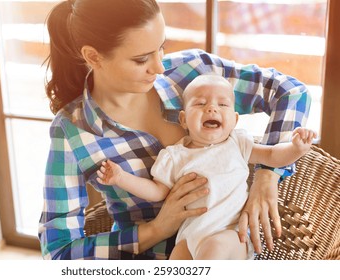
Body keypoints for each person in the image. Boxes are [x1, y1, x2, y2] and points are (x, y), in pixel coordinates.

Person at [38, 0, 311, 260]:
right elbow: (59, 252)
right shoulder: (72, 133)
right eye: (141, 59)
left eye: (161, 48)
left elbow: (291, 92)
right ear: (93, 57)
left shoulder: (192, 74)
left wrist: (267, 176)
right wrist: (156, 229)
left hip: (228, 244)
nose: (159, 68)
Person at [96, 75, 316, 260]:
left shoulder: (237, 143)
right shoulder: (175, 156)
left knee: (214, 250)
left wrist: (296, 148)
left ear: (235, 119)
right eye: (200, 104)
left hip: (230, 234)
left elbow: (272, 156)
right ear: (183, 119)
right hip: (188, 237)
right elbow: (156, 192)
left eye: (222, 104)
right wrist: (122, 178)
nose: (212, 108)